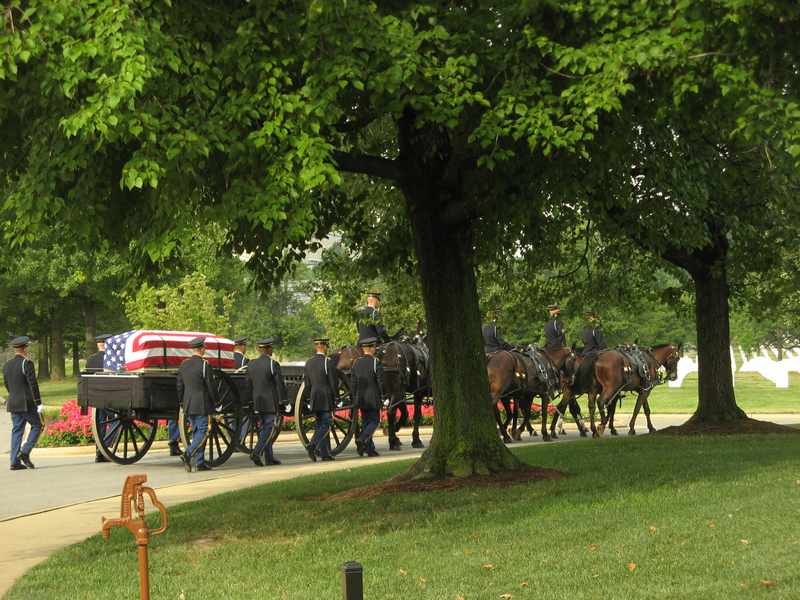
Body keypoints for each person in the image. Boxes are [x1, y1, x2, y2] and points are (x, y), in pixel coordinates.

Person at [176, 337, 219, 472]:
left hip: (188, 403)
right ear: (202, 349)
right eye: (204, 347)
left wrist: (182, 402)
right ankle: (187, 454)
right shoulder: (205, 365)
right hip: (201, 404)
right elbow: (211, 386)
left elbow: (179, 386)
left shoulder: (184, 365)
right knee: (203, 431)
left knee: (196, 432)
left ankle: (199, 463)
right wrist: (217, 402)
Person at [4, 336, 43, 471]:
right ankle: (25, 452)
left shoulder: (7, 365)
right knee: (38, 426)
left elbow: (7, 385)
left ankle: (14, 462)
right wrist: (39, 403)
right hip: (26, 403)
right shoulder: (26, 363)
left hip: (13, 402)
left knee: (17, 431)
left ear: (16, 349)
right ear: (25, 348)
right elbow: (33, 385)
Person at [246, 338, 286, 466]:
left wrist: (250, 400)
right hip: (269, 402)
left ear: (259, 349)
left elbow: (248, 384)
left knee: (264, 428)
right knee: (269, 429)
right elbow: (279, 385)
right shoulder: (272, 364)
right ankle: (257, 452)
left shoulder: (251, 364)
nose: (272, 350)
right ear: (268, 349)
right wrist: (283, 401)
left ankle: (269, 458)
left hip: (257, 401)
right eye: (271, 348)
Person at [299, 337, 338, 462]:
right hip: (325, 396)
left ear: (316, 347)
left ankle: (325, 453)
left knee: (320, 424)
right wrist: (336, 397)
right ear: (325, 347)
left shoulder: (309, 362)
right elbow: (333, 383)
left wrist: (310, 397)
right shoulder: (328, 362)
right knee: (326, 424)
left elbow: (307, 384)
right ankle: (312, 445)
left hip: (314, 396)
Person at [352, 336, 384, 457]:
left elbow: (353, 383)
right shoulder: (376, 362)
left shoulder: (356, 362)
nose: (375, 349)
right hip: (373, 397)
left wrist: (355, 397)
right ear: (371, 348)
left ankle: (370, 449)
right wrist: (384, 396)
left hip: (360, 397)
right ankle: (362, 438)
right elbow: (380, 382)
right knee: (375, 421)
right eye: (374, 347)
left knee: (366, 422)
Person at [86, 334, 112, 463]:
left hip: (96, 396)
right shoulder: (112, 358)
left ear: (98, 344)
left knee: (100, 425)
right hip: (111, 396)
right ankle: (103, 449)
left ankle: (99, 452)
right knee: (115, 423)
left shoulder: (90, 360)